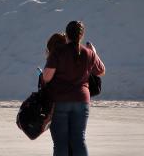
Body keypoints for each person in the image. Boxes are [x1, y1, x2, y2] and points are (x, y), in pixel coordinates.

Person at [41, 21, 105, 156]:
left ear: (67, 34)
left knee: (60, 143)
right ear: (81, 36)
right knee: (79, 140)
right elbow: (101, 71)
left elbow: (47, 77)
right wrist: (94, 52)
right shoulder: (88, 53)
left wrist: (49, 60)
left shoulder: (58, 52)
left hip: (60, 101)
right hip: (82, 101)